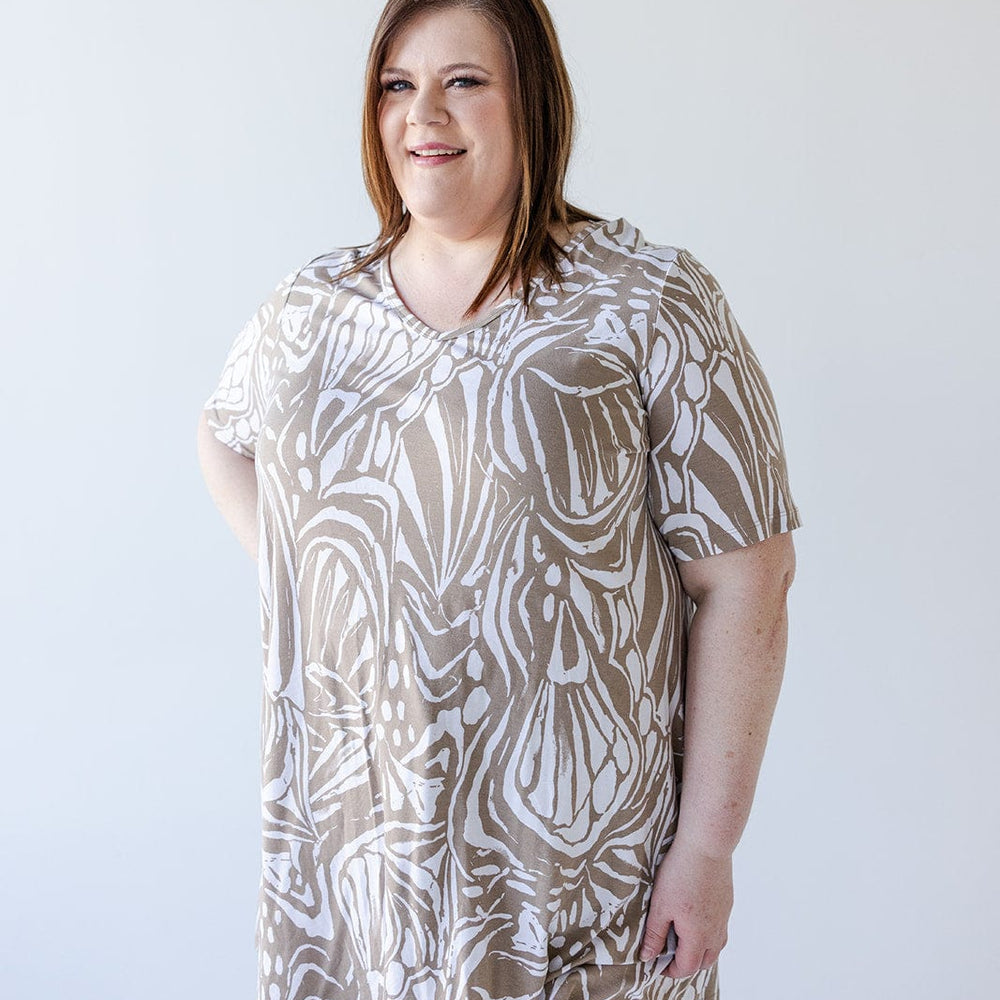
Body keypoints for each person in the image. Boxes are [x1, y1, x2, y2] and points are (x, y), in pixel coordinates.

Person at [196, 1, 801, 997]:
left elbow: (749, 577)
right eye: (398, 84)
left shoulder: (645, 300)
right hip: (355, 868)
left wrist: (706, 849)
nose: (422, 112)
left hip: (571, 876)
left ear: (534, 101)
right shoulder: (311, 311)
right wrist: (322, 581)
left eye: (463, 80)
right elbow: (224, 437)